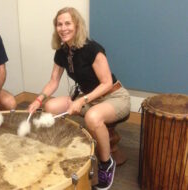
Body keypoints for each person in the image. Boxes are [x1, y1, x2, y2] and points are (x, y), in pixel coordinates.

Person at [28, 7, 130, 190]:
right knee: (50, 106)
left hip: (114, 96)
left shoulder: (92, 49)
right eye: (59, 24)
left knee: (92, 117)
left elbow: (106, 83)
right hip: (89, 98)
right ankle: (59, 149)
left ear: (77, 25)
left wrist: (82, 101)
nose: (63, 28)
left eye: (68, 23)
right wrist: (38, 100)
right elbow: (53, 81)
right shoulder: (62, 52)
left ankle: (106, 163)